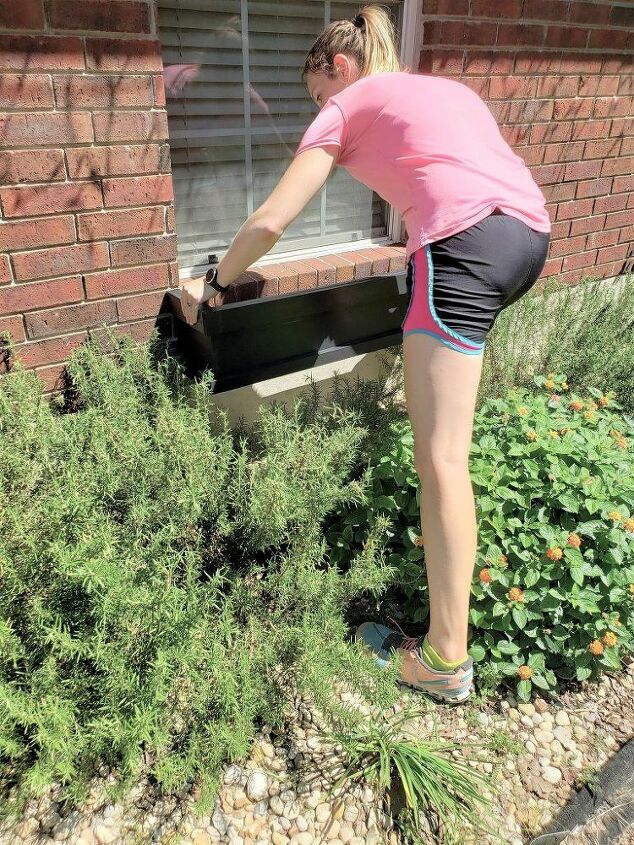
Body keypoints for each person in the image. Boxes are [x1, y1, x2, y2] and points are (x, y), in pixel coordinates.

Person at [180, 5, 551, 704]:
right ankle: (451, 625)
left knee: (441, 456)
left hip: (463, 246)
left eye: (318, 94)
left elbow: (270, 220)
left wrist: (217, 280)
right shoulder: (442, 89)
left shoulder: (350, 104)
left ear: (339, 69)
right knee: (447, 431)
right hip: (528, 236)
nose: (319, 109)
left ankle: (445, 659)